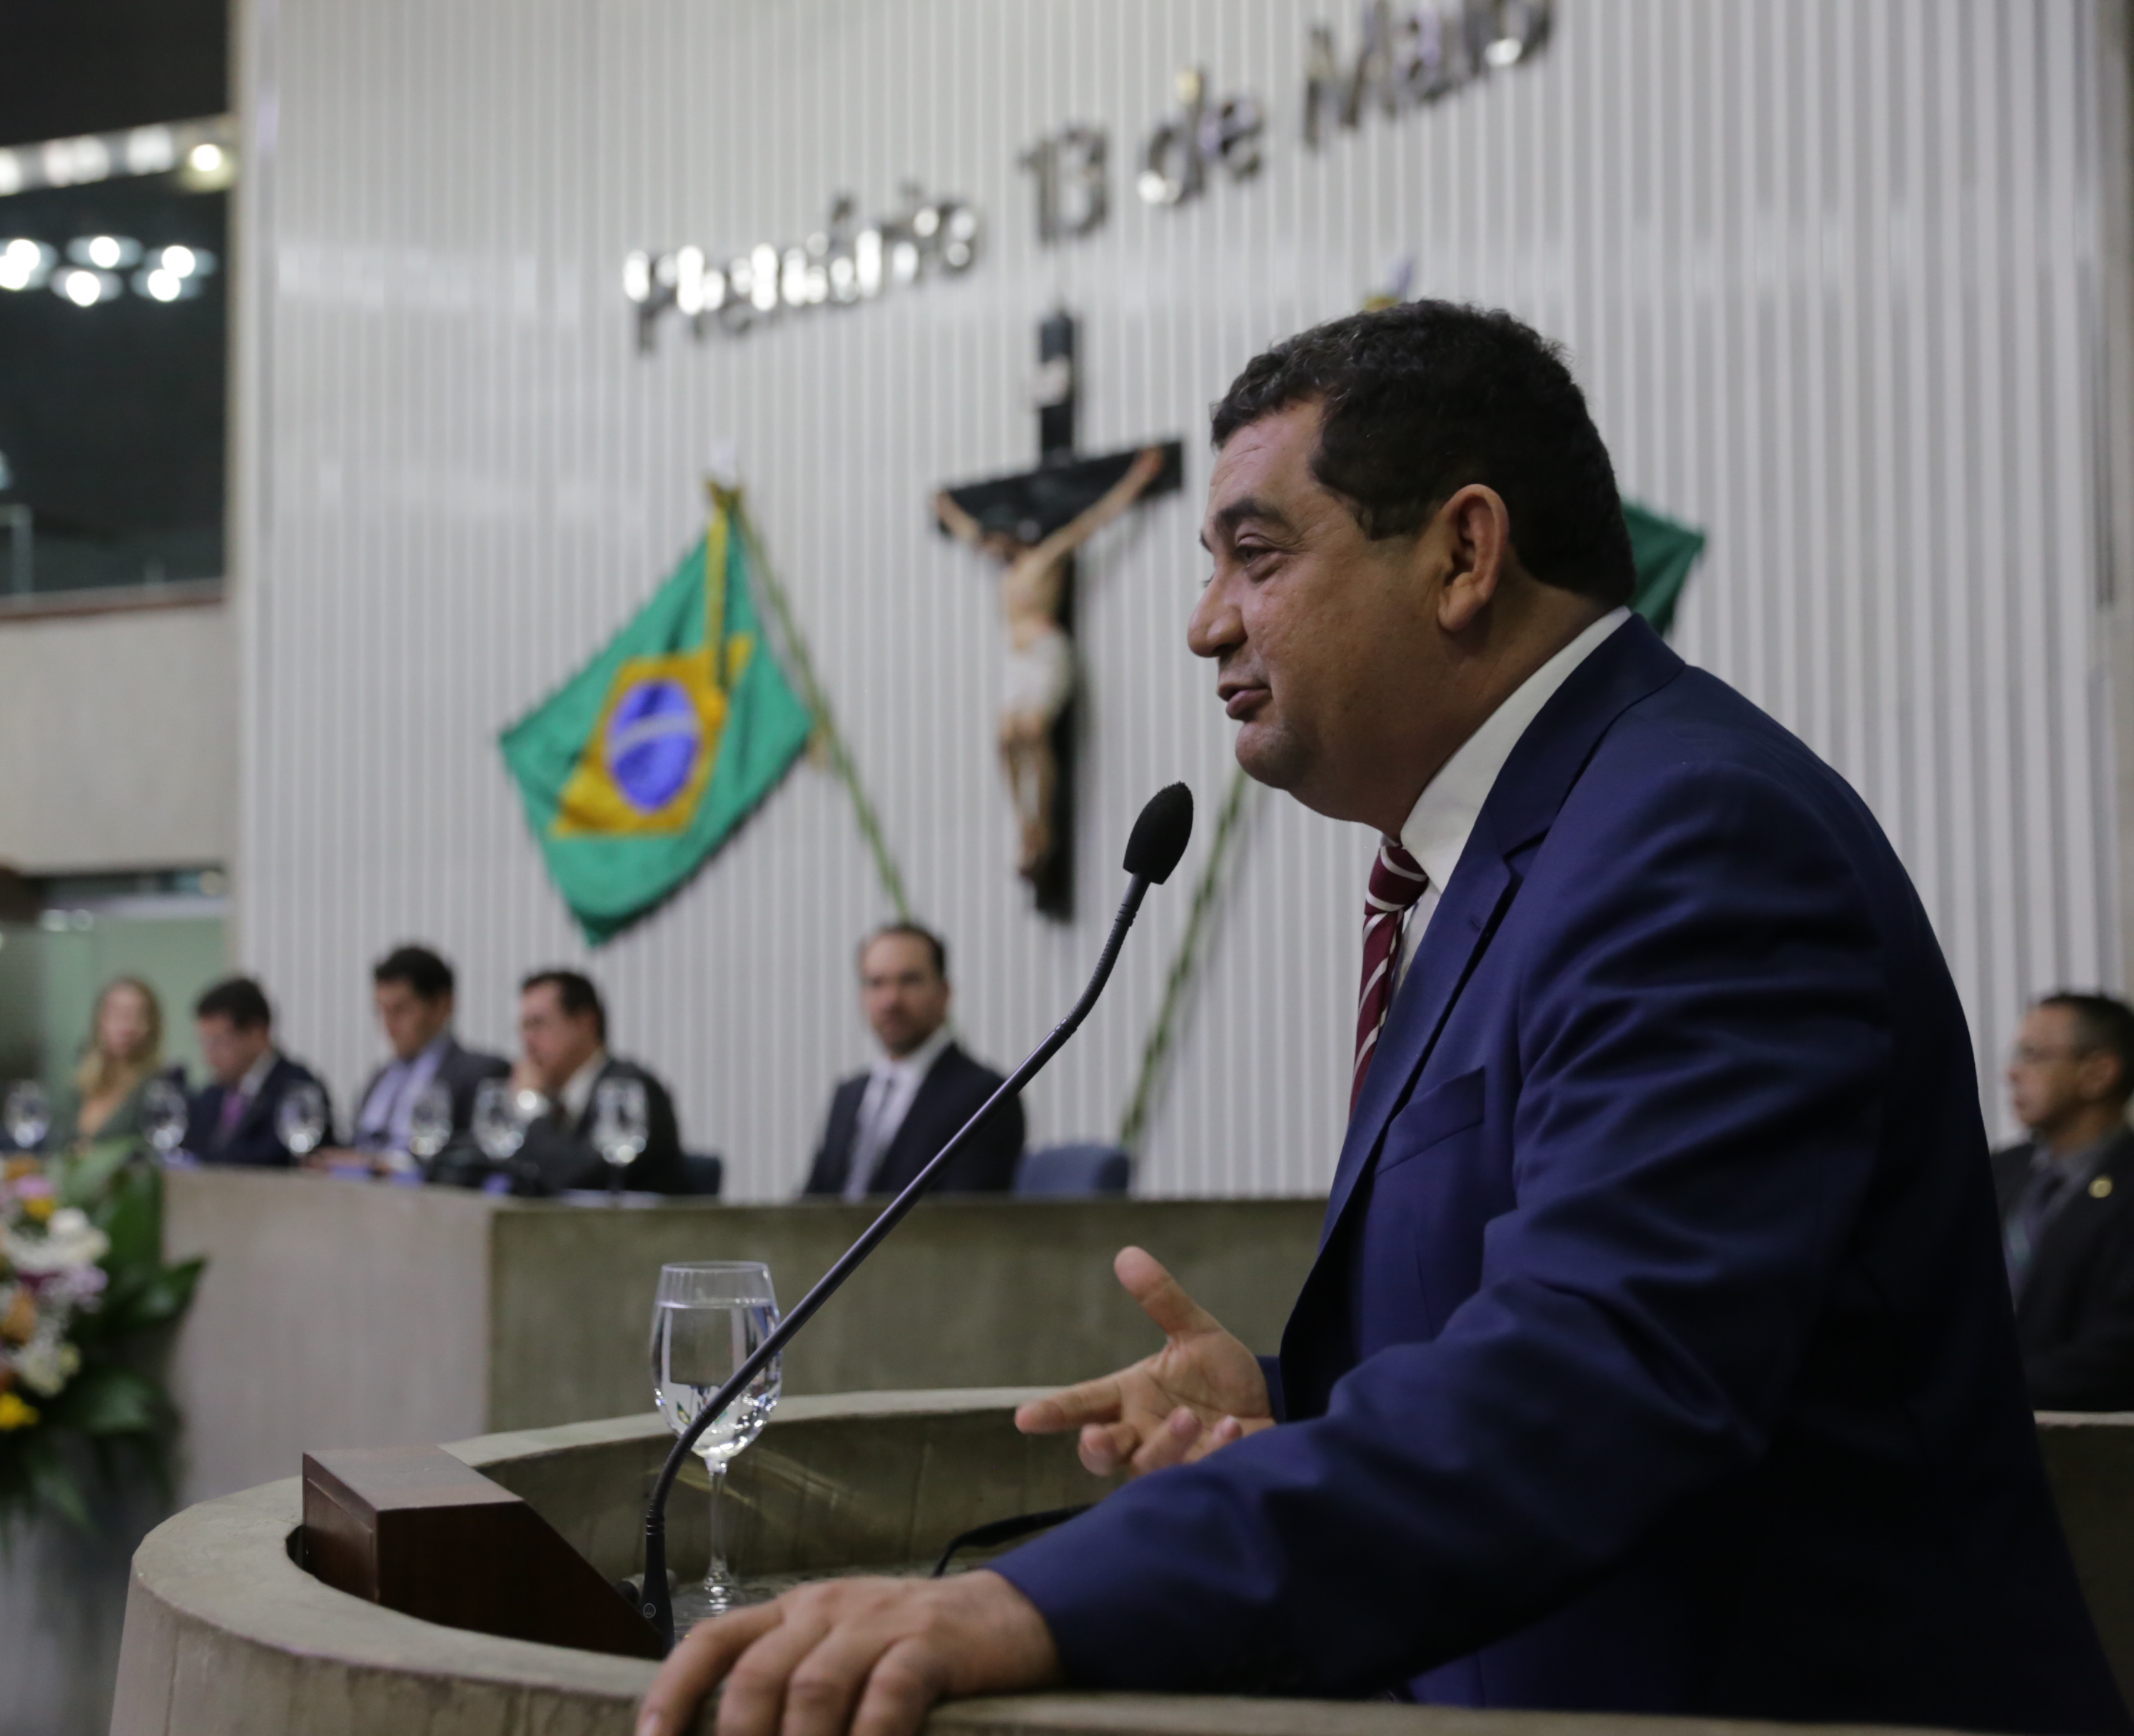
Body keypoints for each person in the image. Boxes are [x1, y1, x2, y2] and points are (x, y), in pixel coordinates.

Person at [642, 303, 2128, 1733]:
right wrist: (1297, 1405)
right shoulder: (1512, 852)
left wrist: (1035, 1600)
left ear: (1463, 554)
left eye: (1255, 555)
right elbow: (1568, 1324)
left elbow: (1603, 1381)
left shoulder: (1693, 835)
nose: (1202, 624)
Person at [936, 447, 1167, 884]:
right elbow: (970, 534)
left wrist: (1137, 480)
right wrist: (947, 509)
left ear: (1012, 535)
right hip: (1016, 660)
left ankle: (1043, 822)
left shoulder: (1043, 559)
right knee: (1005, 738)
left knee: (1031, 730)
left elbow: (1093, 521)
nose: (990, 547)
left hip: (1044, 652)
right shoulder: (1005, 573)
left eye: (997, 539)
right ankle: (1025, 824)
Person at [799, 924, 1022, 1198]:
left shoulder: (987, 1097)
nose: (891, 1000)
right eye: (876, 983)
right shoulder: (848, 1095)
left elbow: (965, 1215)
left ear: (944, 992)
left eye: (909, 981)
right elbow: (812, 1201)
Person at [1996, 992, 2134, 1411]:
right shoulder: (1999, 1171)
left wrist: (1982, 1392)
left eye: (2034, 1055)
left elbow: (2117, 1350)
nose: (2012, 1073)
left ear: (2098, 1073)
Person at [505, 968, 685, 1194]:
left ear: (585, 1023)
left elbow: (575, 1177)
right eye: (524, 1027)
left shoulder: (631, 1089)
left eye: (538, 1024)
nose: (527, 1041)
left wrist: (532, 1107)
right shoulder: (555, 1099)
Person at [340, 944, 510, 1172]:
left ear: (442, 1005)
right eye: (382, 1010)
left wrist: (387, 1165)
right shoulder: (379, 1078)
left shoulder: (480, 1074)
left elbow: (479, 1156)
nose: (388, 1024)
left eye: (401, 1010)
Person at [181, 976, 333, 1168]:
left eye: (218, 1042)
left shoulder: (297, 1089)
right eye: (204, 1043)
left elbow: (275, 1160)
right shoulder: (212, 1096)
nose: (208, 1057)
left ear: (256, 1032)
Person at [69, 976, 183, 1148]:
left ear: (152, 1027)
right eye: (118, 1015)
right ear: (100, 1020)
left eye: (138, 1017)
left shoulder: (161, 1088)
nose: (127, 1027)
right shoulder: (79, 1088)